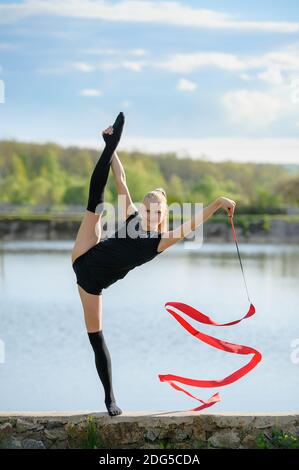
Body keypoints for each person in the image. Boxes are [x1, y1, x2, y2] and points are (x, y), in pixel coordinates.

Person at [71, 111, 236, 416]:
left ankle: (110, 399)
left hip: (90, 284)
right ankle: (110, 143)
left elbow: (191, 225)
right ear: (143, 208)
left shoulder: (160, 241)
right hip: (85, 254)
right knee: (95, 200)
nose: (153, 213)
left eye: (158, 210)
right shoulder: (133, 214)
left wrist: (216, 202)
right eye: (150, 208)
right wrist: (113, 148)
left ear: (163, 214)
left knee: (96, 338)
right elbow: (120, 179)